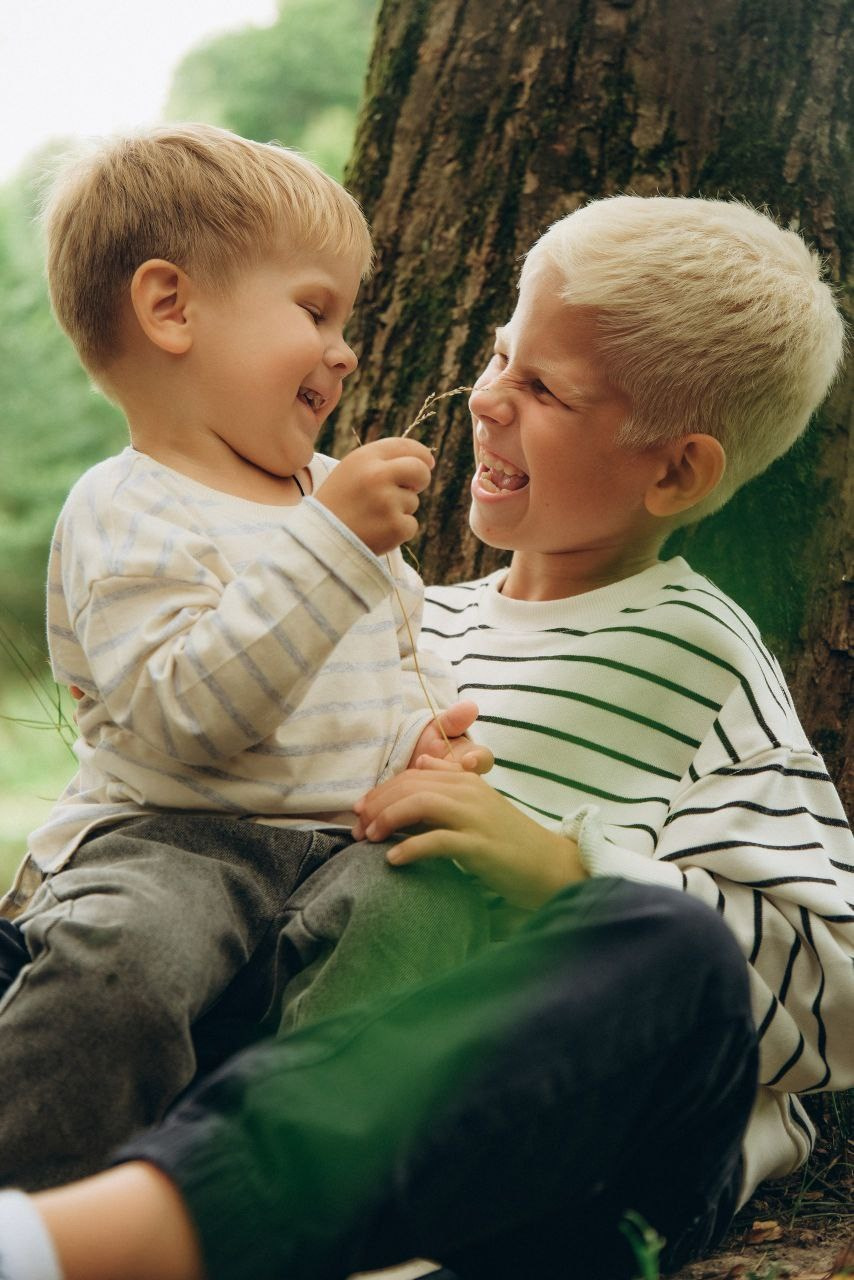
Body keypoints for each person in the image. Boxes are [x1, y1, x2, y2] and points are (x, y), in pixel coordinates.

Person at [3, 194, 853, 1280]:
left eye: (541, 386)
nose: (483, 397)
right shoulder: (403, 613)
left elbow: (828, 1000)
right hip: (239, 1058)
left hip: (502, 1148)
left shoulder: (695, 654)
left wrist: (556, 866)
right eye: (499, 354)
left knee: (666, 955)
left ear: (676, 471)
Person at [0, 123, 492, 1192]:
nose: (346, 347)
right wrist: (333, 545)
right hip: (173, 839)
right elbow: (186, 714)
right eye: (314, 310)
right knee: (120, 958)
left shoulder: (326, 496)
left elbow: (395, 655)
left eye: (345, 320)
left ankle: (288, 1187)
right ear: (171, 308)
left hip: (342, 846)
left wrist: (429, 745)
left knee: (429, 912)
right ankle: (42, 1205)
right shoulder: (127, 505)